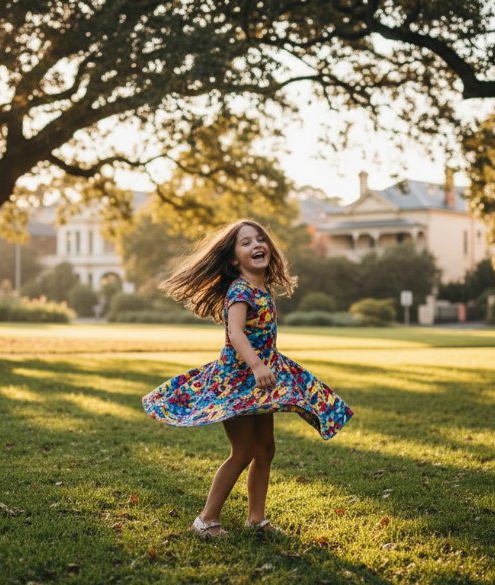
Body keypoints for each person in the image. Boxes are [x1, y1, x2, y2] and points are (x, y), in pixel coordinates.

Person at [141, 219, 354, 538]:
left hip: (260, 381)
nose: (256, 245)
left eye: (260, 239)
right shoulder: (240, 290)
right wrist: (256, 365)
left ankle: (256, 518)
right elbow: (235, 332)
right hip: (237, 381)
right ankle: (206, 520)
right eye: (246, 242)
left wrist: (263, 368)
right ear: (232, 258)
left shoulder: (261, 288)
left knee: (265, 449)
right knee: (242, 452)